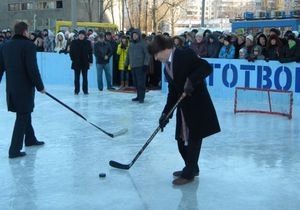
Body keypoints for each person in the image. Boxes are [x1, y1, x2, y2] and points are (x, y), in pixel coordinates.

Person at [148, 35, 220, 185]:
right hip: (184, 108)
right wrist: (165, 114)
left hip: (197, 105)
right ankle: (192, 167)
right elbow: (173, 93)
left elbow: (206, 67)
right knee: (181, 140)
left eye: (156, 54)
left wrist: (191, 80)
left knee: (193, 139)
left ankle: (189, 173)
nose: (155, 59)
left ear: (165, 49)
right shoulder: (167, 68)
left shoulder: (184, 54)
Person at [0, 22, 46, 159]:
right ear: (25, 32)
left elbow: (0, 68)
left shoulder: (4, 46)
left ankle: (30, 139)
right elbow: (32, 69)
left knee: (25, 113)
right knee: (23, 115)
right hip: (25, 88)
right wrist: (40, 86)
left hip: (12, 89)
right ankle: (14, 150)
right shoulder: (28, 46)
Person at [125, 29, 150, 103]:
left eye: (136, 35)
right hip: (133, 66)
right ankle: (138, 96)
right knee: (136, 83)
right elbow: (128, 55)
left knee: (141, 83)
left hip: (141, 66)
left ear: (139, 35)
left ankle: (141, 97)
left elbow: (147, 54)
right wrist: (126, 64)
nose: (134, 36)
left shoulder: (143, 43)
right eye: (133, 35)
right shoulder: (131, 44)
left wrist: (146, 64)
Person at [69, 30, 93, 95]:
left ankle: (85, 90)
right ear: (78, 35)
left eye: (83, 34)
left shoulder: (87, 42)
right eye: (80, 34)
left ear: (84, 35)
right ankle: (76, 90)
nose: (81, 36)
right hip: (76, 62)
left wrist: (90, 61)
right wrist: (73, 59)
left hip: (85, 63)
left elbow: (90, 52)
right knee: (76, 78)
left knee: (85, 78)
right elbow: (71, 52)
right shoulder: (74, 42)